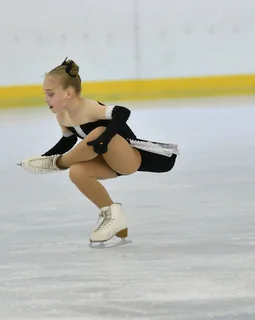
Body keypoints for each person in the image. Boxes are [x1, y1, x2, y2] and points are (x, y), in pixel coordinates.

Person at [18, 58, 179, 246]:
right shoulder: (62, 116)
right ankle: (113, 215)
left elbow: (122, 113)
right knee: (77, 171)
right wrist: (43, 157)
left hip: (128, 158)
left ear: (69, 93)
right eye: (45, 93)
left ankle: (58, 163)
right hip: (106, 163)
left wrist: (104, 139)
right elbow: (67, 141)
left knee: (98, 132)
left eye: (50, 94)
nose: (46, 99)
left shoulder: (89, 107)